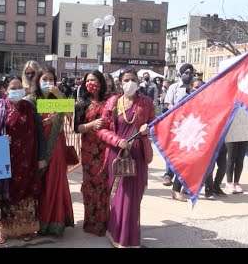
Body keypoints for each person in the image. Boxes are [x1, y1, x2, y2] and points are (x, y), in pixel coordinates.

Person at [97, 68, 155, 248]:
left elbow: (155, 124)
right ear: (120, 83)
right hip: (118, 153)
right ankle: (116, 234)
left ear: (138, 82)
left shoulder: (146, 102)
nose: (129, 83)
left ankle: (130, 238)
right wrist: (117, 140)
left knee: (133, 198)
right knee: (120, 196)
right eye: (126, 80)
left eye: (133, 79)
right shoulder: (113, 102)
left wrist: (148, 129)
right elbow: (101, 129)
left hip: (138, 154)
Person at [0, 76, 46, 244]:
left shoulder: (30, 107)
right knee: (6, 197)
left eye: (19, 87)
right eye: (13, 88)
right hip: (6, 161)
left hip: (27, 161)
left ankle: (26, 229)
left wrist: (41, 157)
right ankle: (5, 231)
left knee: (27, 196)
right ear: (5, 90)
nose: (17, 90)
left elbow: (39, 133)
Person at [27, 65, 74, 236]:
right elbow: (26, 126)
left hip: (57, 146)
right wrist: (45, 122)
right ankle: (36, 221)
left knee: (54, 181)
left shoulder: (59, 98)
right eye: (44, 79)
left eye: (51, 79)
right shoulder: (31, 100)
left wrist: (60, 96)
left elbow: (70, 116)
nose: (48, 82)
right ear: (38, 81)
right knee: (40, 183)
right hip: (37, 147)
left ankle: (54, 222)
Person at [74, 70, 107, 236]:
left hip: (107, 149)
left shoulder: (110, 101)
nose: (90, 83)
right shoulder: (82, 103)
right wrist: (91, 124)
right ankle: (91, 223)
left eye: (93, 80)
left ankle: (106, 222)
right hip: (89, 151)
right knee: (90, 186)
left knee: (105, 186)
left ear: (100, 82)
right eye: (87, 81)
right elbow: (76, 128)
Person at [162, 63, 194, 186]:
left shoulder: (195, 87)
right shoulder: (174, 87)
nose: (189, 75)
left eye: (191, 72)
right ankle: (168, 175)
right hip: (176, 124)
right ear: (180, 74)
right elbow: (167, 104)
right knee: (172, 149)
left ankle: (185, 178)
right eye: (186, 72)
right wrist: (178, 109)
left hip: (191, 125)